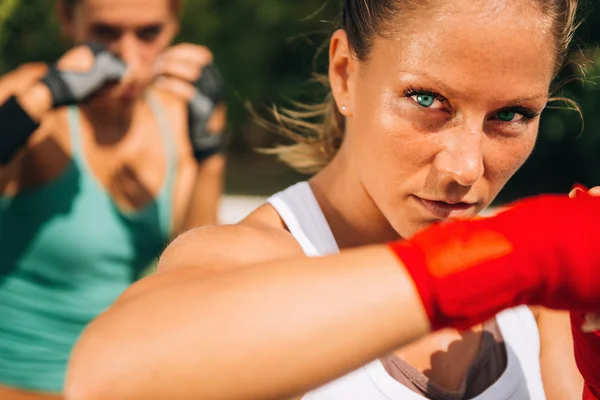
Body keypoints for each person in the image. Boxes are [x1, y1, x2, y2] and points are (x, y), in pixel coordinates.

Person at [65, 0, 599, 399]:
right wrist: (519, 252)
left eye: (511, 116)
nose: (465, 167)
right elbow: (106, 375)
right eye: (426, 100)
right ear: (345, 73)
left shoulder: (544, 306)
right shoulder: (255, 260)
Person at [0, 0, 226, 398]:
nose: (127, 54)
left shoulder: (177, 115)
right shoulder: (28, 96)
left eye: (148, 33)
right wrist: (44, 96)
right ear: (68, 20)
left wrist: (210, 153)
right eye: (105, 32)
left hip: (116, 384)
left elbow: (200, 275)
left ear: (174, 27)